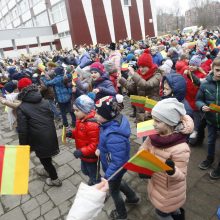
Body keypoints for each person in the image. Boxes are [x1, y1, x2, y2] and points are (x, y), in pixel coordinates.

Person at [140, 98, 194, 220]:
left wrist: (172, 170)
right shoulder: (155, 135)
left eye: (158, 121)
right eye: (154, 119)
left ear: (169, 123)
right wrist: (141, 162)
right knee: (173, 210)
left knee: (162, 214)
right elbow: (145, 147)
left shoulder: (181, 148)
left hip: (169, 193)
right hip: (157, 185)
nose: (153, 124)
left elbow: (181, 176)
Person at [95, 95, 139, 220]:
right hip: (115, 167)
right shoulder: (109, 123)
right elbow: (104, 140)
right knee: (117, 183)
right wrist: (100, 148)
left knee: (114, 191)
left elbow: (118, 161)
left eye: (98, 113)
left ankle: (121, 214)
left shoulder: (114, 135)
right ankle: (132, 197)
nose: (94, 115)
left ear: (107, 115)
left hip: (114, 168)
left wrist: (107, 177)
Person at [16, 77, 61, 186]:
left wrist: (23, 146)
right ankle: (47, 170)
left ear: (21, 90)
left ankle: (55, 179)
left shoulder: (22, 107)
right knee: (46, 157)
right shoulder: (44, 101)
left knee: (44, 159)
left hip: (38, 138)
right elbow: (51, 116)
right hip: (50, 134)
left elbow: (23, 130)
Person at [66, 95, 100, 185]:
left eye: (77, 110)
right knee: (85, 171)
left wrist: (82, 151)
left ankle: (98, 186)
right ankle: (93, 178)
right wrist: (71, 134)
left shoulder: (92, 125)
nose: (74, 113)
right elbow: (80, 135)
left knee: (93, 173)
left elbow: (95, 145)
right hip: (83, 154)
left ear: (85, 110)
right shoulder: (80, 119)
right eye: (74, 110)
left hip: (90, 156)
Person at [196, 58, 220, 178]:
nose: (219, 73)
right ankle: (209, 158)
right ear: (212, 69)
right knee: (210, 141)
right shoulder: (205, 84)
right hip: (211, 120)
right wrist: (202, 106)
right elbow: (198, 100)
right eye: (217, 70)